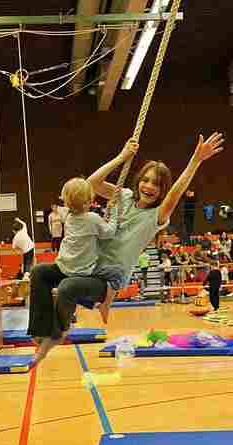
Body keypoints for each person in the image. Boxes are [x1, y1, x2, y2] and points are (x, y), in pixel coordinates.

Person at [28, 132, 224, 364]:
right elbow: (91, 184)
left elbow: (177, 192)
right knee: (39, 272)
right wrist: (122, 157)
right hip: (86, 266)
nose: (149, 186)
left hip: (106, 278)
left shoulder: (157, 216)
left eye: (157, 184)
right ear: (138, 180)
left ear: (162, 190)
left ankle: (58, 332)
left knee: (67, 288)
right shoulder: (125, 196)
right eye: (146, 180)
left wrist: (196, 160)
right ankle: (39, 330)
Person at [54, 177, 122, 325]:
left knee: (74, 287)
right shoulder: (92, 218)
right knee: (117, 274)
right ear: (89, 202)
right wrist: (114, 213)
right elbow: (109, 232)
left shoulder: (67, 217)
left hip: (64, 266)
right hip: (83, 269)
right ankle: (106, 304)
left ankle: (91, 303)